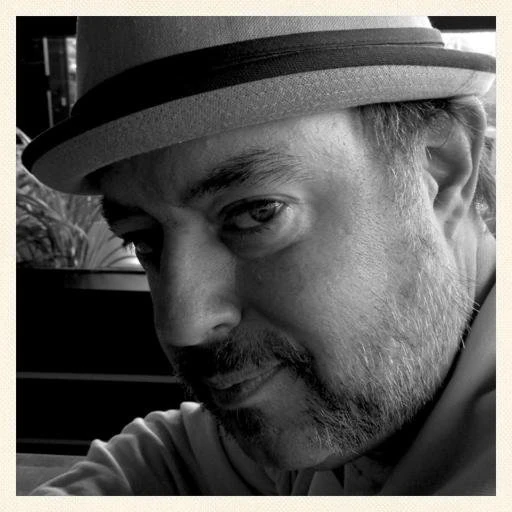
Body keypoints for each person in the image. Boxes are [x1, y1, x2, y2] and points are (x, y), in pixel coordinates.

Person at [22, 16, 496, 495]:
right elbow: (169, 458)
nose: (182, 325)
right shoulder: (356, 405)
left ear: (440, 171)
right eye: (145, 240)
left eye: (255, 214)